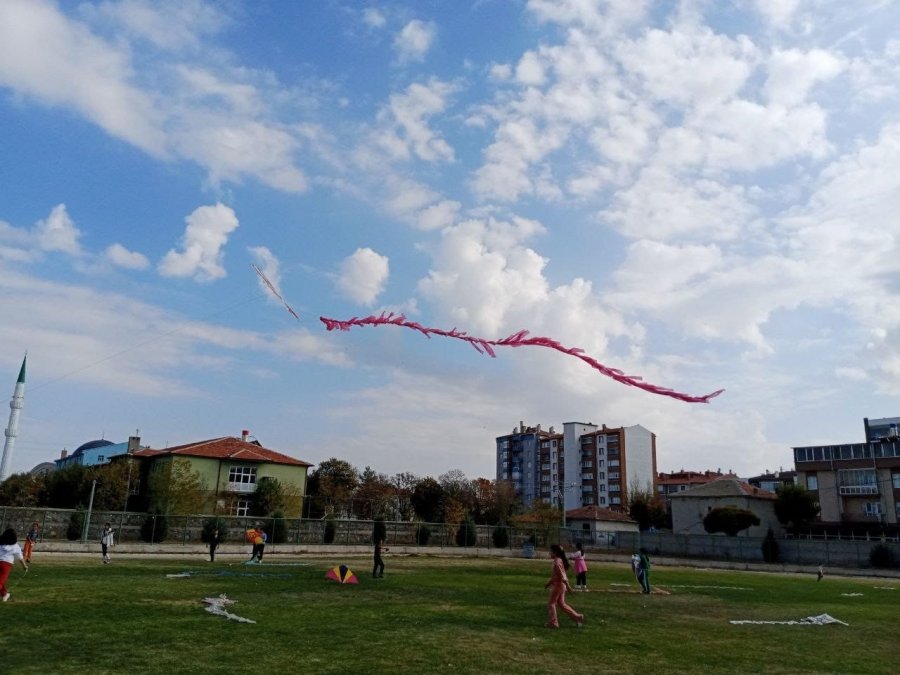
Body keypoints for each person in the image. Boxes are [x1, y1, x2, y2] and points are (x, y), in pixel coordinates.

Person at [544, 544, 584, 629]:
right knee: (561, 604)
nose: (549, 553)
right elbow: (556, 575)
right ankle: (577, 617)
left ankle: (553, 623)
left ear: (555, 553)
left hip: (559, 586)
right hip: (560, 585)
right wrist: (549, 583)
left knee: (551, 603)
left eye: (550, 551)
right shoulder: (558, 560)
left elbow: (562, 576)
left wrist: (568, 587)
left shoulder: (557, 562)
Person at [0, 528, 29, 602]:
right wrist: (24, 566)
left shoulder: (13, 545)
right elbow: (20, 557)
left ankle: (5, 594)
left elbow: (20, 557)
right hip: (6, 565)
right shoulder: (15, 545)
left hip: (6, 565)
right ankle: (5, 594)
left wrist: (24, 566)